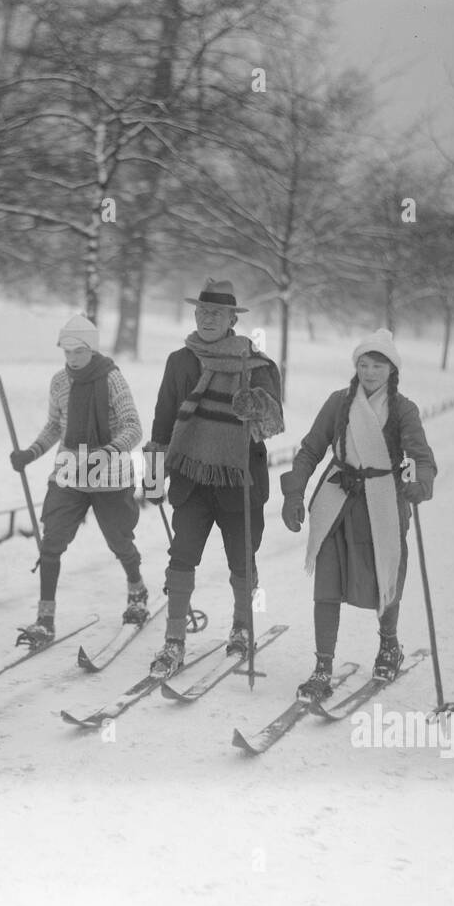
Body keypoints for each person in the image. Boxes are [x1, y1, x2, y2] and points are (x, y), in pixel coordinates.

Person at [279, 328, 437, 701]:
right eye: (363, 364)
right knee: (327, 585)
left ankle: (388, 646)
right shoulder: (339, 403)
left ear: (391, 370)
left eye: (378, 365)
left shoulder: (402, 409)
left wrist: (419, 483)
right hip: (336, 501)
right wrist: (294, 491)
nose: (369, 372)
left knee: (385, 574)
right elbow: (310, 449)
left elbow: (420, 457)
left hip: (382, 501)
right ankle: (322, 667)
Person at [143, 279, 284, 678]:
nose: (208, 319)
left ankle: (241, 627)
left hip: (240, 481)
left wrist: (254, 406)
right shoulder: (180, 361)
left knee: (242, 558)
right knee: (181, 556)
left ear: (231, 320)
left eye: (217, 314)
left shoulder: (256, 365)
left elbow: (273, 422)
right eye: (202, 312)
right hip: (191, 478)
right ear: (195, 315)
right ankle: (173, 643)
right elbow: (163, 418)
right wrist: (154, 477)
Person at [11, 314, 147, 647]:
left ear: (92, 350)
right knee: (52, 542)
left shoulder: (112, 379)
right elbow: (55, 426)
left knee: (119, 541)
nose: (72, 359)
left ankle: (137, 590)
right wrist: (30, 453)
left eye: (79, 352)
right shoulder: (59, 382)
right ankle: (45, 619)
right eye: (67, 352)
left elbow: (133, 427)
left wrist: (107, 451)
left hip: (110, 475)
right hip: (70, 471)